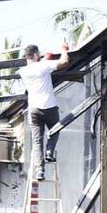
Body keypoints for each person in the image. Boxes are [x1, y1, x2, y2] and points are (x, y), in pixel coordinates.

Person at [18, 42, 71, 180]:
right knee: (55, 129)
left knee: (37, 141)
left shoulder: (23, 71)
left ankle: (40, 171)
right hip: (49, 106)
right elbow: (64, 62)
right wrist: (64, 50)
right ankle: (49, 151)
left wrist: (46, 59)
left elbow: (39, 69)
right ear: (36, 55)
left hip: (34, 109)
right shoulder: (43, 66)